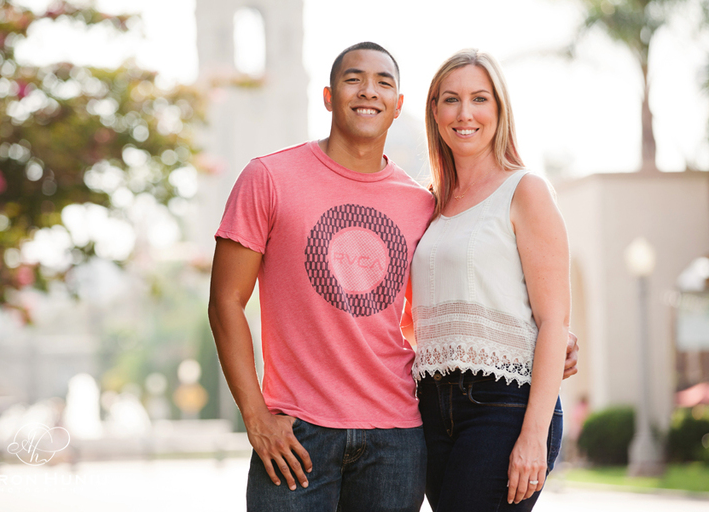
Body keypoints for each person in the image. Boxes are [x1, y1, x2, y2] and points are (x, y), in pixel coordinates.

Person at [209, 42, 579, 512]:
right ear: (327, 96)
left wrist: (544, 341)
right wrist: (255, 416)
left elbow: (524, 311)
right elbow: (226, 302)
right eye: (353, 79)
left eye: (383, 82)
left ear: (399, 104)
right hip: (311, 431)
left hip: (401, 436)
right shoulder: (275, 178)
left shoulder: (436, 201)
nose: (369, 91)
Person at [405, 48, 571, 511]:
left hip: (504, 405)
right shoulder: (427, 205)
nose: (465, 113)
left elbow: (555, 320)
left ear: (499, 109)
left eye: (480, 99)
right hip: (431, 407)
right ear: (434, 111)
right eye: (451, 99)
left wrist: (534, 436)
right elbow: (412, 319)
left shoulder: (526, 190)